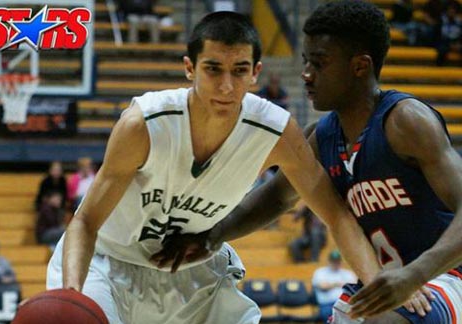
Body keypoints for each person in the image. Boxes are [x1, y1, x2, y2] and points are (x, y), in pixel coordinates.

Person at [47, 11, 381, 324]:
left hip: (194, 275)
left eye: (239, 70)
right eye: (213, 69)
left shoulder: (276, 131)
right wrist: (72, 296)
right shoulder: (144, 124)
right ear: (189, 68)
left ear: (255, 73)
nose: (226, 86)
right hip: (107, 265)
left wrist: (380, 284)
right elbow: (85, 221)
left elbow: (335, 214)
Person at [153, 1, 462, 323]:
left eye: (319, 63)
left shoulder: (405, 121)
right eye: (305, 62)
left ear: (359, 66)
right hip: (383, 284)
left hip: (443, 277)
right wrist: (211, 236)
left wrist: (415, 274)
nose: (306, 74)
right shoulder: (323, 137)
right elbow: (275, 198)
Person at [312, 250, 357, 323]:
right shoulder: (320, 272)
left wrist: (331, 285)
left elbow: (355, 287)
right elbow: (323, 286)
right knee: (327, 314)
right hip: (327, 304)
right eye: (333, 261)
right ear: (329, 261)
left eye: (337, 261)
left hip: (345, 304)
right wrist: (339, 284)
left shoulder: (348, 273)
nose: (335, 263)